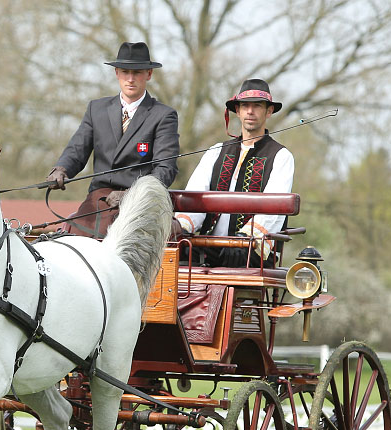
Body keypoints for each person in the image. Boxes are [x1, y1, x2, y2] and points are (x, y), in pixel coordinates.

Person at [47, 42, 179, 238]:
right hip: (99, 198)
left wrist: (132, 195)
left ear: (149, 74)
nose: (131, 79)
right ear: (117, 72)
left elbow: (165, 169)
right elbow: (77, 149)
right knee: (72, 238)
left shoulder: (163, 115)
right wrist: (61, 169)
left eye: (138, 72)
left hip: (140, 201)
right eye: (125, 72)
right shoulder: (96, 109)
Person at [176, 78, 294, 267]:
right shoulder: (216, 151)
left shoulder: (281, 156)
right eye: (245, 106)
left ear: (269, 111)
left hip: (251, 250)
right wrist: (180, 227)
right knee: (178, 254)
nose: (250, 111)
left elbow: (274, 210)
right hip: (208, 246)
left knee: (238, 254)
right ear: (237, 111)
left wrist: (245, 239)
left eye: (257, 106)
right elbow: (194, 198)